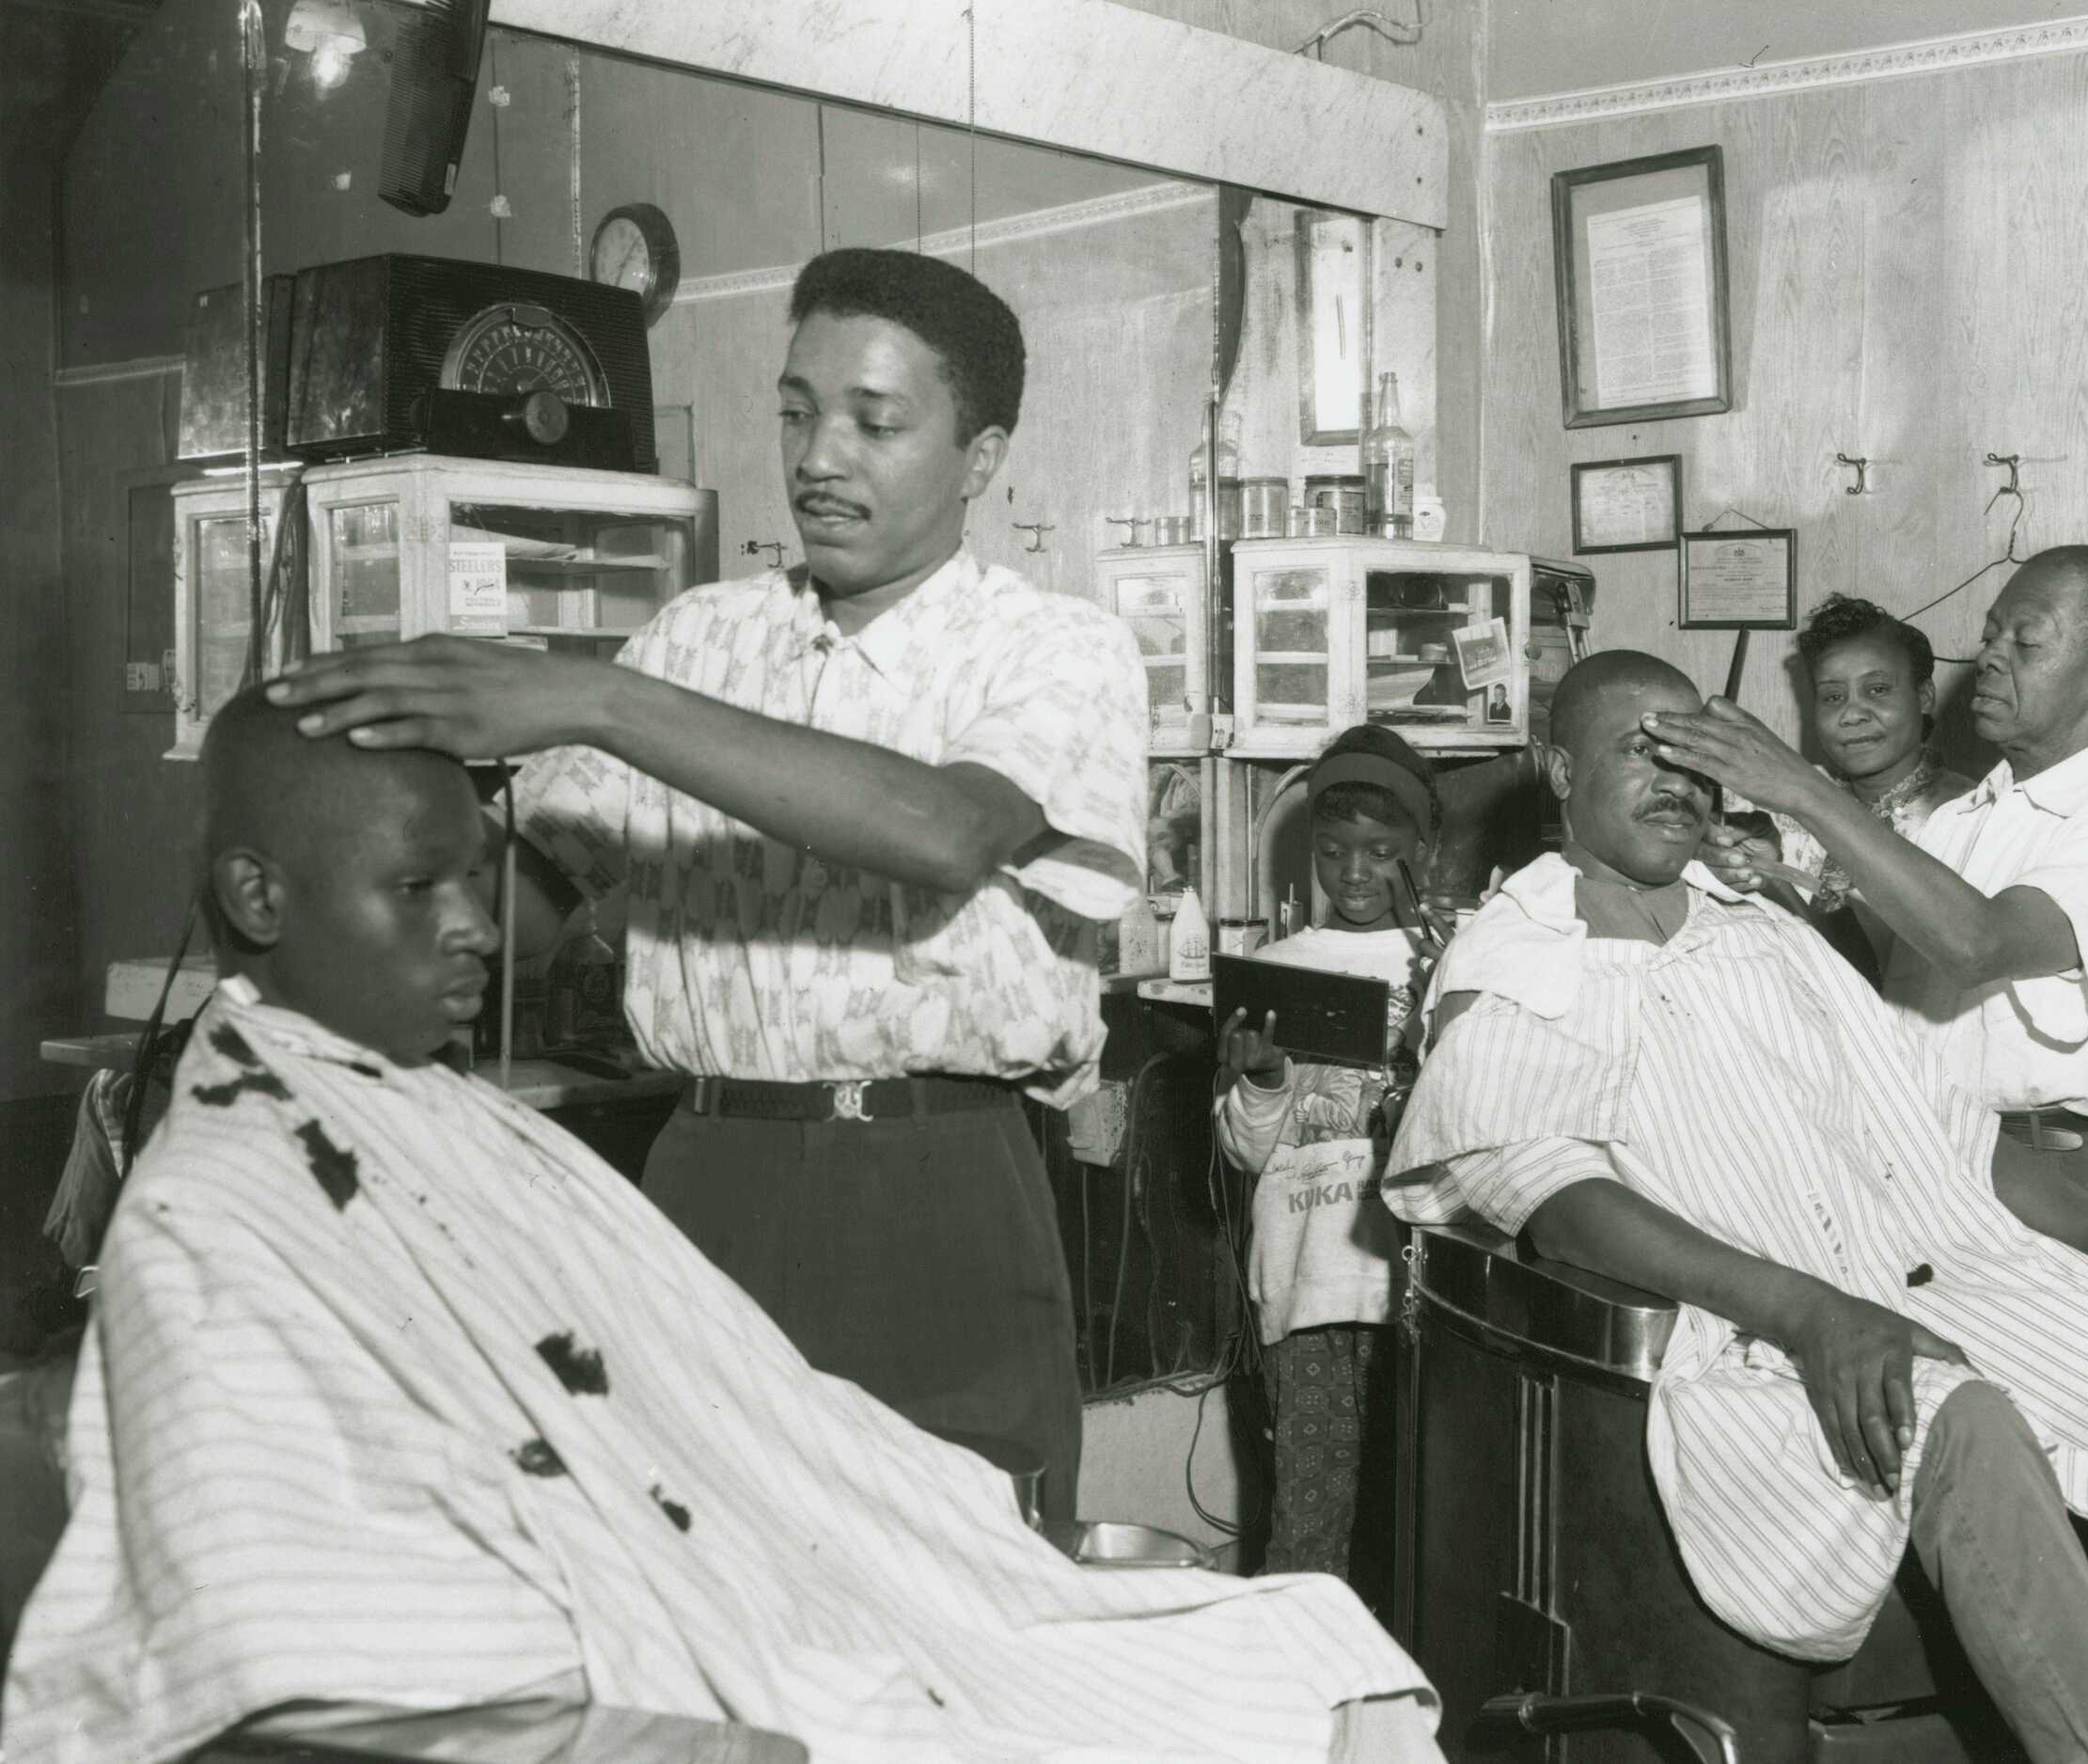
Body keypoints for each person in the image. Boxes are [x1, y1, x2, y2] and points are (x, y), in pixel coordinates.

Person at [0, 691, 1440, 1764]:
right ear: (257, 897)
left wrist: (898, 1538)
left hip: (747, 1585)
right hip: (622, 1676)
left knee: (1284, 1656)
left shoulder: (432, 1112)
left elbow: (725, 1410)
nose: (479, 932)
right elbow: (298, 1650)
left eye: (475, 881)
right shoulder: (226, 1201)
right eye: (416, 889)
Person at [264, 248, 1150, 1523]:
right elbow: (520, 902)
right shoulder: (698, 639)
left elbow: (945, 829)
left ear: (981, 453)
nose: (818, 457)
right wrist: (358, 836)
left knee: (952, 1592)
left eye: (873, 421)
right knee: (694, 1569)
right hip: (701, 1176)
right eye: (795, 412)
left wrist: (593, 696)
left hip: (931, 1183)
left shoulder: (1051, 648)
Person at [1386, 650, 2088, 1764]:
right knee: (1954, 1419)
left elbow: (1931, 1121)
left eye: (1696, 760)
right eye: (1640, 751)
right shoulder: (1521, 954)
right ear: (1558, 768)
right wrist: (1810, 1315)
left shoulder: (1754, 926)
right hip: (1751, 1329)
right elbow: (1556, 1202)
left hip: (1944, 1264)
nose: (1676, 782)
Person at [1660, 546, 2088, 1258]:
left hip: (2072, 1175)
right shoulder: (1965, 818)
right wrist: (1776, 883)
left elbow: (1980, 944)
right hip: (1943, 1157)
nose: (1989, 658)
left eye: (2024, 641)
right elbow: (1885, 987)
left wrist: (1799, 788)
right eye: (1988, 637)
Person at [1215, 725, 1436, 1612]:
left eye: (1381, 854)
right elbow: (1243, 1150)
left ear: (1424, 852)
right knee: (1308, 1532)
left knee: (1425, 1527)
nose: (1354, 873)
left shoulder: (1453, 964)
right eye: (1334, 851)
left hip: (1418, 1299)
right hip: (1305, 1289)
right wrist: (1263, 1080)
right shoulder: (1272, 971)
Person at [1753, 594, 1972, 974]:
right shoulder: (1785, 812)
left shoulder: (1969, 813)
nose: (1851, 714)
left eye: (1877, 690)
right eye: (1833, 696)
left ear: (1924, 697)